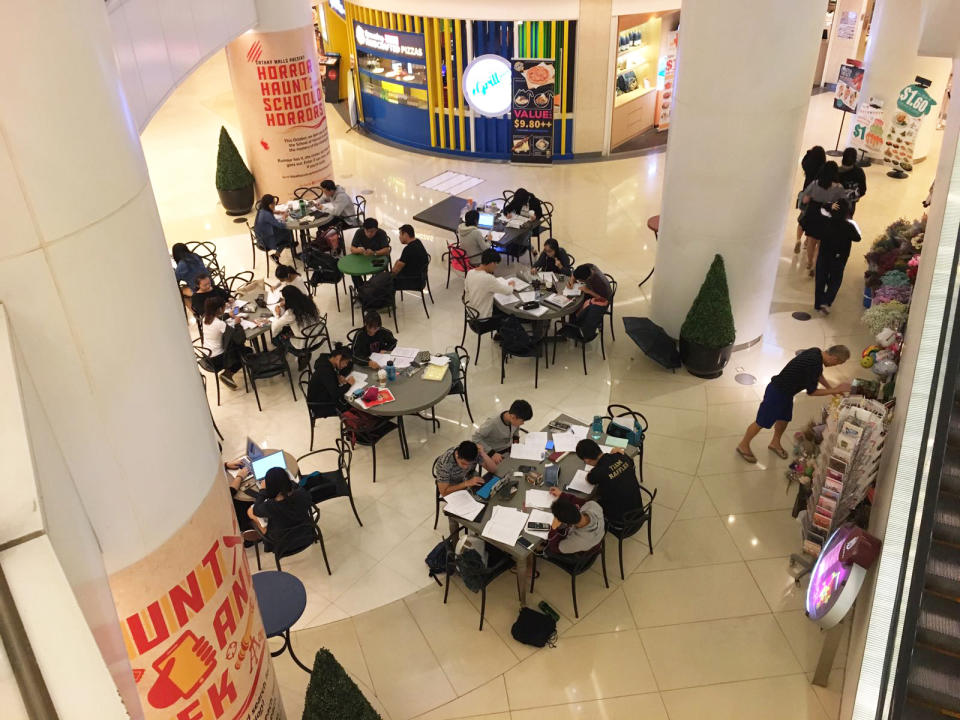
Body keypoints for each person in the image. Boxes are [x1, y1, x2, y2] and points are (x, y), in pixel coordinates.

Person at [736, 345, 852, 463]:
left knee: (784, 419)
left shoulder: (816, 352)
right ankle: (743, 445)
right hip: (777, 392)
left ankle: (775, 443)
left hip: (787, 393)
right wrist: (835, 390)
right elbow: (812, 392)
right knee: (761, 421)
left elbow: (818, 375)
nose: (835, 365)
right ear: (834, 357)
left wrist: (830, 388)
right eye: (837, 363)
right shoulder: (814, 364)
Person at [247, 467, 314, 554]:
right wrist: (286, 481)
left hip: (283, 545)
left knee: (250, 512)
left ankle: (262, 532)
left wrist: (262, 491)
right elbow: (297, 488)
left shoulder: (270, 506)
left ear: (270, 487)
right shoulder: (301, 493)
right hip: (307, 535)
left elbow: (256, 511)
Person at [575, 439, 641, 523]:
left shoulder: (597, 472)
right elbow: (629, 463)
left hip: (621, 522)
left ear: (586, 460)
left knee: (590, 503)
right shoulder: (620, 456)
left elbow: (588, 479)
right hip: (638, 510)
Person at [814, 199, 861, 315]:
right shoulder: (850, 225)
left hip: (824, 255)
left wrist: (829, 205)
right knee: (835, 280)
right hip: (840, 258)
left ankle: (817, 303)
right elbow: (858, 238)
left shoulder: (826, 222)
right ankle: (826, 302)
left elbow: (820, 208)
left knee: (820, 279)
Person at [799, 161, 846, 274]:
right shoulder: (839, 187)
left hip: (813, 213)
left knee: (811, 241)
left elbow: (805, 200)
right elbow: (843, 201)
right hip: (827, 214)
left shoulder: (815, 184)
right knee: (820, 243)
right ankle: (816, 266)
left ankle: (809, 262)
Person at [545, 488, 605, 561]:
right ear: (577, 507)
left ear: (566, 524)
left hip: (580, 554)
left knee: (547, 550)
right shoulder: (593, 506)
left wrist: (553, 529)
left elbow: (555, 548)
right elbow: (583, 502)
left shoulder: (576, 541)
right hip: (596, 538)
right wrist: (562, 494)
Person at [464, 249, 517, 331]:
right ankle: (506, 337)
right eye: (496, 264)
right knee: (510, 315)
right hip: (483, 322)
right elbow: (508, 291)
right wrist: (511, 285)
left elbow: (466, 289)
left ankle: (500, 335)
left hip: (472, 317)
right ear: (492, 263)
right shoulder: (488, 278)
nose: (496, 267)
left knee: (497, 306)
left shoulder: (470, 272)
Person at [200, 297, 241, 389]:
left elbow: (218, 321)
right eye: (224, 307)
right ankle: (227, 374)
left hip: (207, 356)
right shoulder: (220, 324)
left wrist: (227, 315)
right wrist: (237, 323)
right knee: (244, 352)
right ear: (219, 309)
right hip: (217, 359)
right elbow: (236, 337)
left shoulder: (204, 318)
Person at [434, 440, 499, 497]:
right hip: (452, 483)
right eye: (463, 463)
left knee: (487, 494)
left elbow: (494, 470)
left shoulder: (473, 453)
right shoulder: (446, 464)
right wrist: (466, 483)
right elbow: (444, 492)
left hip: (469, 476)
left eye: (470, 464)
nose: (466, 467)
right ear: (457, 455)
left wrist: (483, 453)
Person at [795, 145, 826, 252]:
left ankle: (798, 239)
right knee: (810, 221)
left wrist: (809, 152)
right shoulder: (823, 168)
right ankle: (806, 242)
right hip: (815, 198)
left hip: (805, 194)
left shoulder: (808, 166)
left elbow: (804, 160)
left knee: (801, 219)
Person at [254, 194, 296, 262]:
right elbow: (281, 225)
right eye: (273, 203)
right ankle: (277, 255)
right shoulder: (267, 215)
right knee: (288, 233)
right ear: (269, 204)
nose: (274, 205)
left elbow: (269, 214)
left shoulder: (262, 209)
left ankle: (290, 244)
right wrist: (284, 217)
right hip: (265, 240)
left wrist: (277, 212)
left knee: (286, 232)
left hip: (261, 235)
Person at [392, 224, 429, 289]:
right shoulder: (418, 242)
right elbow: (400, 262)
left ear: (406, 235)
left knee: (387, 283)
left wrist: (387, 276)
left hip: (413, 281)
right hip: (421, 279)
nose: (399, 237)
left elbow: (396, 270)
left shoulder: (408, 249)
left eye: (400, 234)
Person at [837, 147, 867, 212]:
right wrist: (855, 196)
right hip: (850, 205)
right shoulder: (859, 172)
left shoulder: (836, 171)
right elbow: (863, 189)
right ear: (855, 160)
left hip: (834, 204)